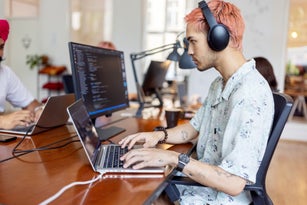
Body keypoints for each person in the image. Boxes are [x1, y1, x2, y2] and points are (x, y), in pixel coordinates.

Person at [119, 0, 274, 204]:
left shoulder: (249, 93)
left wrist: (173, 158)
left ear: (218, 38)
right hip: (199, 186)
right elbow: (192, 129)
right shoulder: (220, 84)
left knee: (130, 194)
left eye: (193, 41)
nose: (190, 51)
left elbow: (234, 183)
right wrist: (157, 136)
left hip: (216, 197)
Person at [0, 19, 43, 129]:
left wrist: (38, 111)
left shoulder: (6, 73)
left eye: (1, 47)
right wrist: (2, 121)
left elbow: (30, 104)